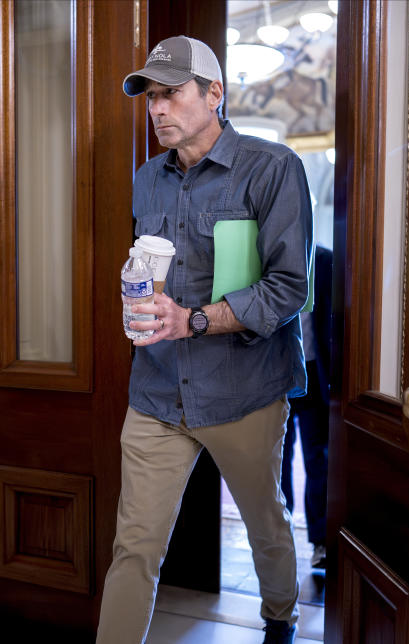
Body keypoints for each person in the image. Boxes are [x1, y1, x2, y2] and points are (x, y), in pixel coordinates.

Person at [95, 35, 312, 644]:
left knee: (266, 525)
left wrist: (191, 318)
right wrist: (139, 298)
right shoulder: (148, 181)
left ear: (215, 94)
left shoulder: (272, 169)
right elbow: (154, 271)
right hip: (158, 393)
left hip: (244, 390)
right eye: (150, 97)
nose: (157, 109)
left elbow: (289, 288)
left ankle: (279, 623)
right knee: (133, 548)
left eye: (171, 93)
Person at [281, 245, 331, 570]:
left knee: (318, 458)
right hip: (279, 373)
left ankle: (321, 540)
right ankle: (279, 541)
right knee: (277, 459)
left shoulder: (326, 260)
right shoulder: (269, 256)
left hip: (315, 371)